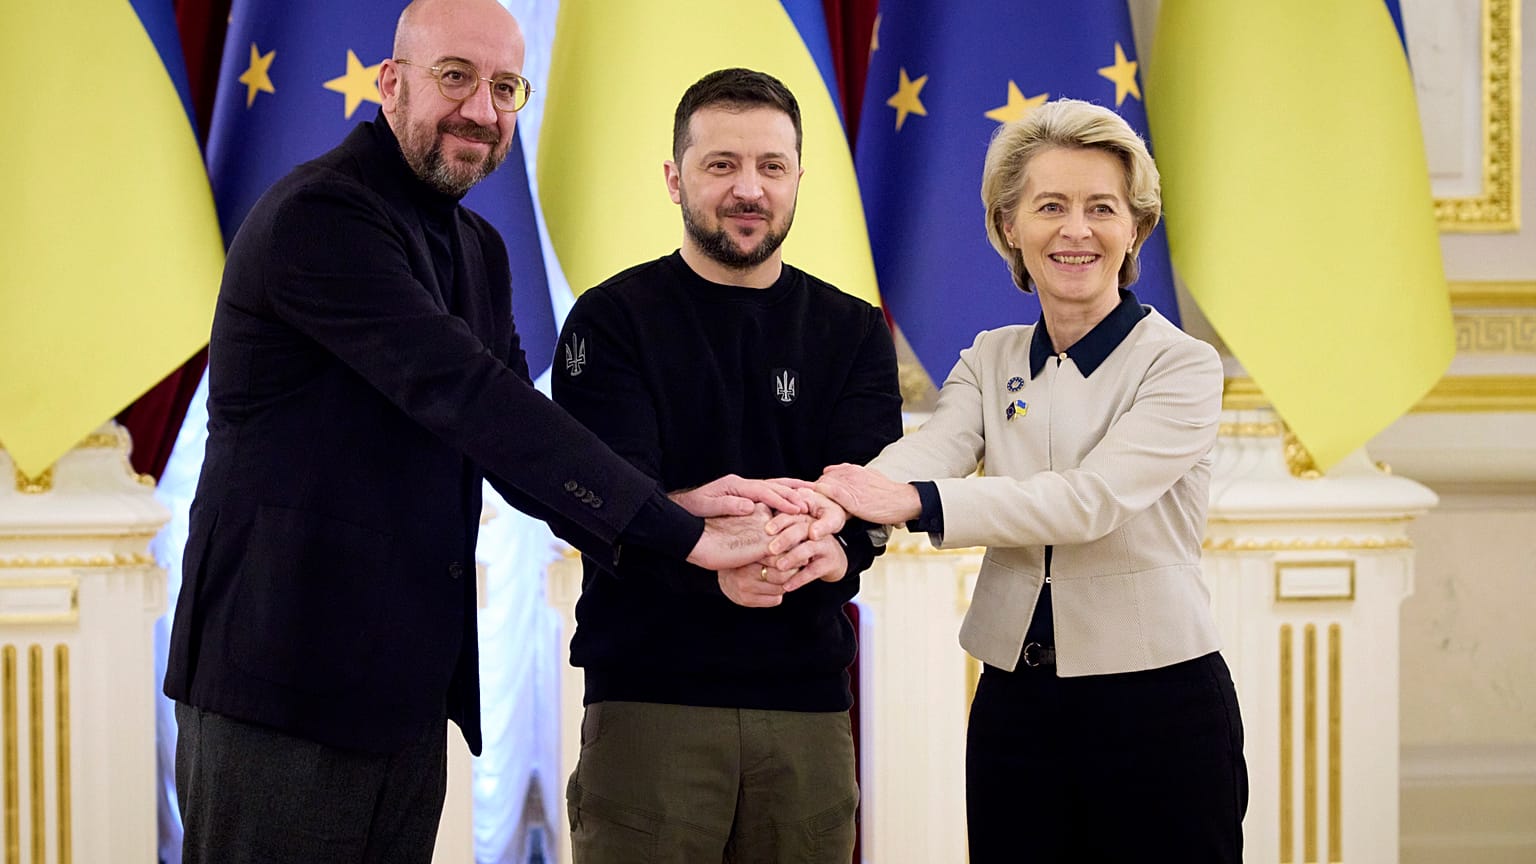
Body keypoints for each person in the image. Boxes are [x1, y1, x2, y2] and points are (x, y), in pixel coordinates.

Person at [162, 4, 800, 862]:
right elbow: (473, 401)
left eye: (504, 87)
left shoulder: (478, 246)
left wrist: (667, 506)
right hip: (282, 685)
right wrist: (679, 536)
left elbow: (517, 445)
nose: (481, 109)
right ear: (392, 84)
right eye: (454, 76)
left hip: (405, 696)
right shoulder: (322, 216)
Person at [815, 99, 1247, 862]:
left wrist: (910, 503)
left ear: (1136, 228)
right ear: (1009, 226)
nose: (1076, 230)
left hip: (1161, 708)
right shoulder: (990, 356)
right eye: (1050, 206)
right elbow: (928, 453)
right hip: (1016, 704)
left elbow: (1090, 502)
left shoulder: (1180, 364)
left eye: (1101, 208)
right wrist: (828, 508)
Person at [553, 68, 902, 862]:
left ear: (799, 180)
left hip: (808, 710)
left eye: (772, 167)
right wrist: (708, 556)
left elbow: (867, 503)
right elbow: (602, 498)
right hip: (650, 703)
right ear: (675, 178)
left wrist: (822, 549)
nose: (749, 189)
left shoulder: (852, 332)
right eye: (721, 165)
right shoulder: (610, 321)